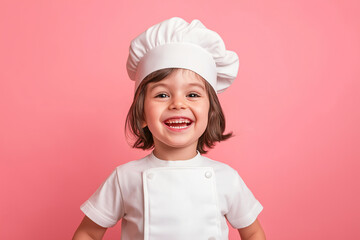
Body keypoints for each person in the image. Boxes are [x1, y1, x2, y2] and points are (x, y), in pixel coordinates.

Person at [73, 17, 265, 240]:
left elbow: (253, 233)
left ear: (211, 113)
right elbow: (88, 232)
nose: (178, 104)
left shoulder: (227, 179)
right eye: (162, 95)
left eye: (192, 95)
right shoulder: (124, 178)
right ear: (142, 114)